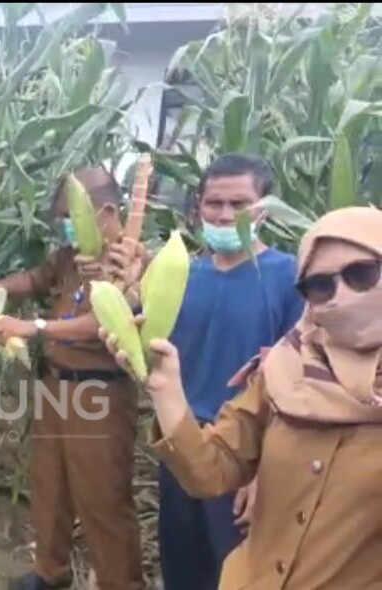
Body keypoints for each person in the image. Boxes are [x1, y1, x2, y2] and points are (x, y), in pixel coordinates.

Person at [102, 205, 382, 589]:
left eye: (362, 275)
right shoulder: (285, 372)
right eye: (321, 285)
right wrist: (167, 389)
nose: (342, 296)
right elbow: (211, 470)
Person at [105, 154, 304, 590]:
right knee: (184, 567)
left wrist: (266, 473)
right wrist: (117, 289)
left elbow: (300, 386)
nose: (225, 214)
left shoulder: (290, 278)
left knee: (236, 573)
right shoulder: (180, 275)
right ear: (198, 207)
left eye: (239, 203)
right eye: (214, 203)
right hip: (183, 444)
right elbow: (132, 327)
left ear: (265, 208)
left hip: (245, 458)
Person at [0, 167, 143, 590]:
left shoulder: (130, 262)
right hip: (56, 389)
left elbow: (102, 319)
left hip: (99, 395)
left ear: (104, 212)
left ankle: (122, 584)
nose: (64, 226)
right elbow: (35, 279)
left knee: (103, 500)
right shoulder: (70, 256)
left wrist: (34, 328)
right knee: (50, 488)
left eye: (69, 216)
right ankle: (50, 573)